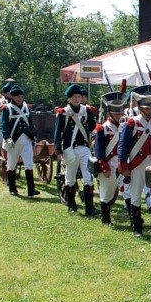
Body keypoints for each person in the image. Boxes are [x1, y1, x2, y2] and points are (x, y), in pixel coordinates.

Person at [119, 86, 151, 238]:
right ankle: (137, 227)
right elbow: (123, 146)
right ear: (140, 107)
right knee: (136, 195)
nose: (150, 110)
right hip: (137, 163)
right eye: (147, 107)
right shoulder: (132, 123)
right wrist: (124, 166)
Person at [54, 84, 98, 216]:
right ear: (69, 99)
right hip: (70, 149)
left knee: (88, 177)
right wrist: (58, 150)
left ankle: (89, 208)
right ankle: (72, 205)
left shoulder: (86, 110)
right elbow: (57, 133)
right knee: (70, 178)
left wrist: (89, 114)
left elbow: (92, 126)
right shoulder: (63, 113)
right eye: (74, 97)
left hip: (84, 148)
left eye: (79, 97)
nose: (77, 99)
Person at [0, 84, 39, 197]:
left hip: (26, 139)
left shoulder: (26, 107)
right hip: (14, 140)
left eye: (21, 96)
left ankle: (31, 190)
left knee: (29, 164)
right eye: (17, 97)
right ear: (12, 97)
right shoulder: (7, 108)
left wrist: (33, 134)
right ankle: (13, 188)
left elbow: (30, 122)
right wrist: (7, 138)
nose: (20, 99)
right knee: (11, 164)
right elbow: (4, 125)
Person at [94, 90, 126, 226]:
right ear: (110, 112)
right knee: (106, 193)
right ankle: (106, 219)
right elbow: (99, 151)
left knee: (128, 191)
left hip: (122, 164)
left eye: (120, 112)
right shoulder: (103, 129)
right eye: (116, 112)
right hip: (108, 165)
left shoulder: (125, 127)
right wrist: (104, 167)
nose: (119, 115)